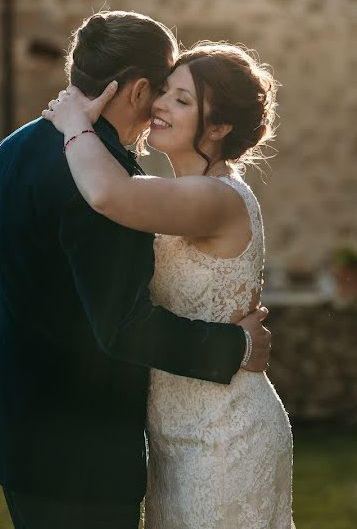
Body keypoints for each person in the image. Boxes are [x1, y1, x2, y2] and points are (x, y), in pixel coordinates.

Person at [0, 11, 272, 529]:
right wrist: (231, 346)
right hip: (84, 451)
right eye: (163, 92)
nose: (162, 109)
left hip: (15, 432)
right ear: (139, 89)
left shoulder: (8, 151)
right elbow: (122, 327)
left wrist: (33, 354)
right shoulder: (101, 181)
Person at [42, 41, 294, 528]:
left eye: (182, 100)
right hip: (173, 434)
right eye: (164, 91)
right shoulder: (179, 195)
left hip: (227, 435)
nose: (159, 105)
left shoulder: (216, 198)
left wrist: (75, 122)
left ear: (218, 128)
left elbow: (106, 194)